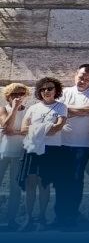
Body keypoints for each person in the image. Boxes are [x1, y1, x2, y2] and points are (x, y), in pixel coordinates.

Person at [19, 76, 66, 232]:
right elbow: (23, 129)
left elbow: (57, 128)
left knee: (44, 184)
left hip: (50, 150)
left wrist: (36, 128)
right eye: (43, 89)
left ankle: (42, 218)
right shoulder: (33, 108)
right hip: (32, 149)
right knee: (30, 184)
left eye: (50, 88)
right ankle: (28, 219)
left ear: (56, 90)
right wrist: (46, 126)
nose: (46, 91)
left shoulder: (61, 107)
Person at [56, 63, 89, 229]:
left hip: (83, 144)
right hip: (62, 142)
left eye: (88, 79)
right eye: (81, 77)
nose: (83, 81)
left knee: (76, 179)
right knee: (61, 180)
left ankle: (72, 216)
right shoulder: (65, 92)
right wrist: (78, 111)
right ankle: (60, 216)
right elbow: (58, 111)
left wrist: (67, 110)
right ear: (76, 75)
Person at [1, 83, 30, 230]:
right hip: (3, 152)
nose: (18, 97)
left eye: (21, 94)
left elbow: (29, 131)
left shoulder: (29, 111)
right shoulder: (3, 109)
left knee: (15, 189)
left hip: (20, 154)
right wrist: (14, 109)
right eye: (14, 94)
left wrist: (15, 131)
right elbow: (6, 127)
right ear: (8, 96)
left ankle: (11, 220)